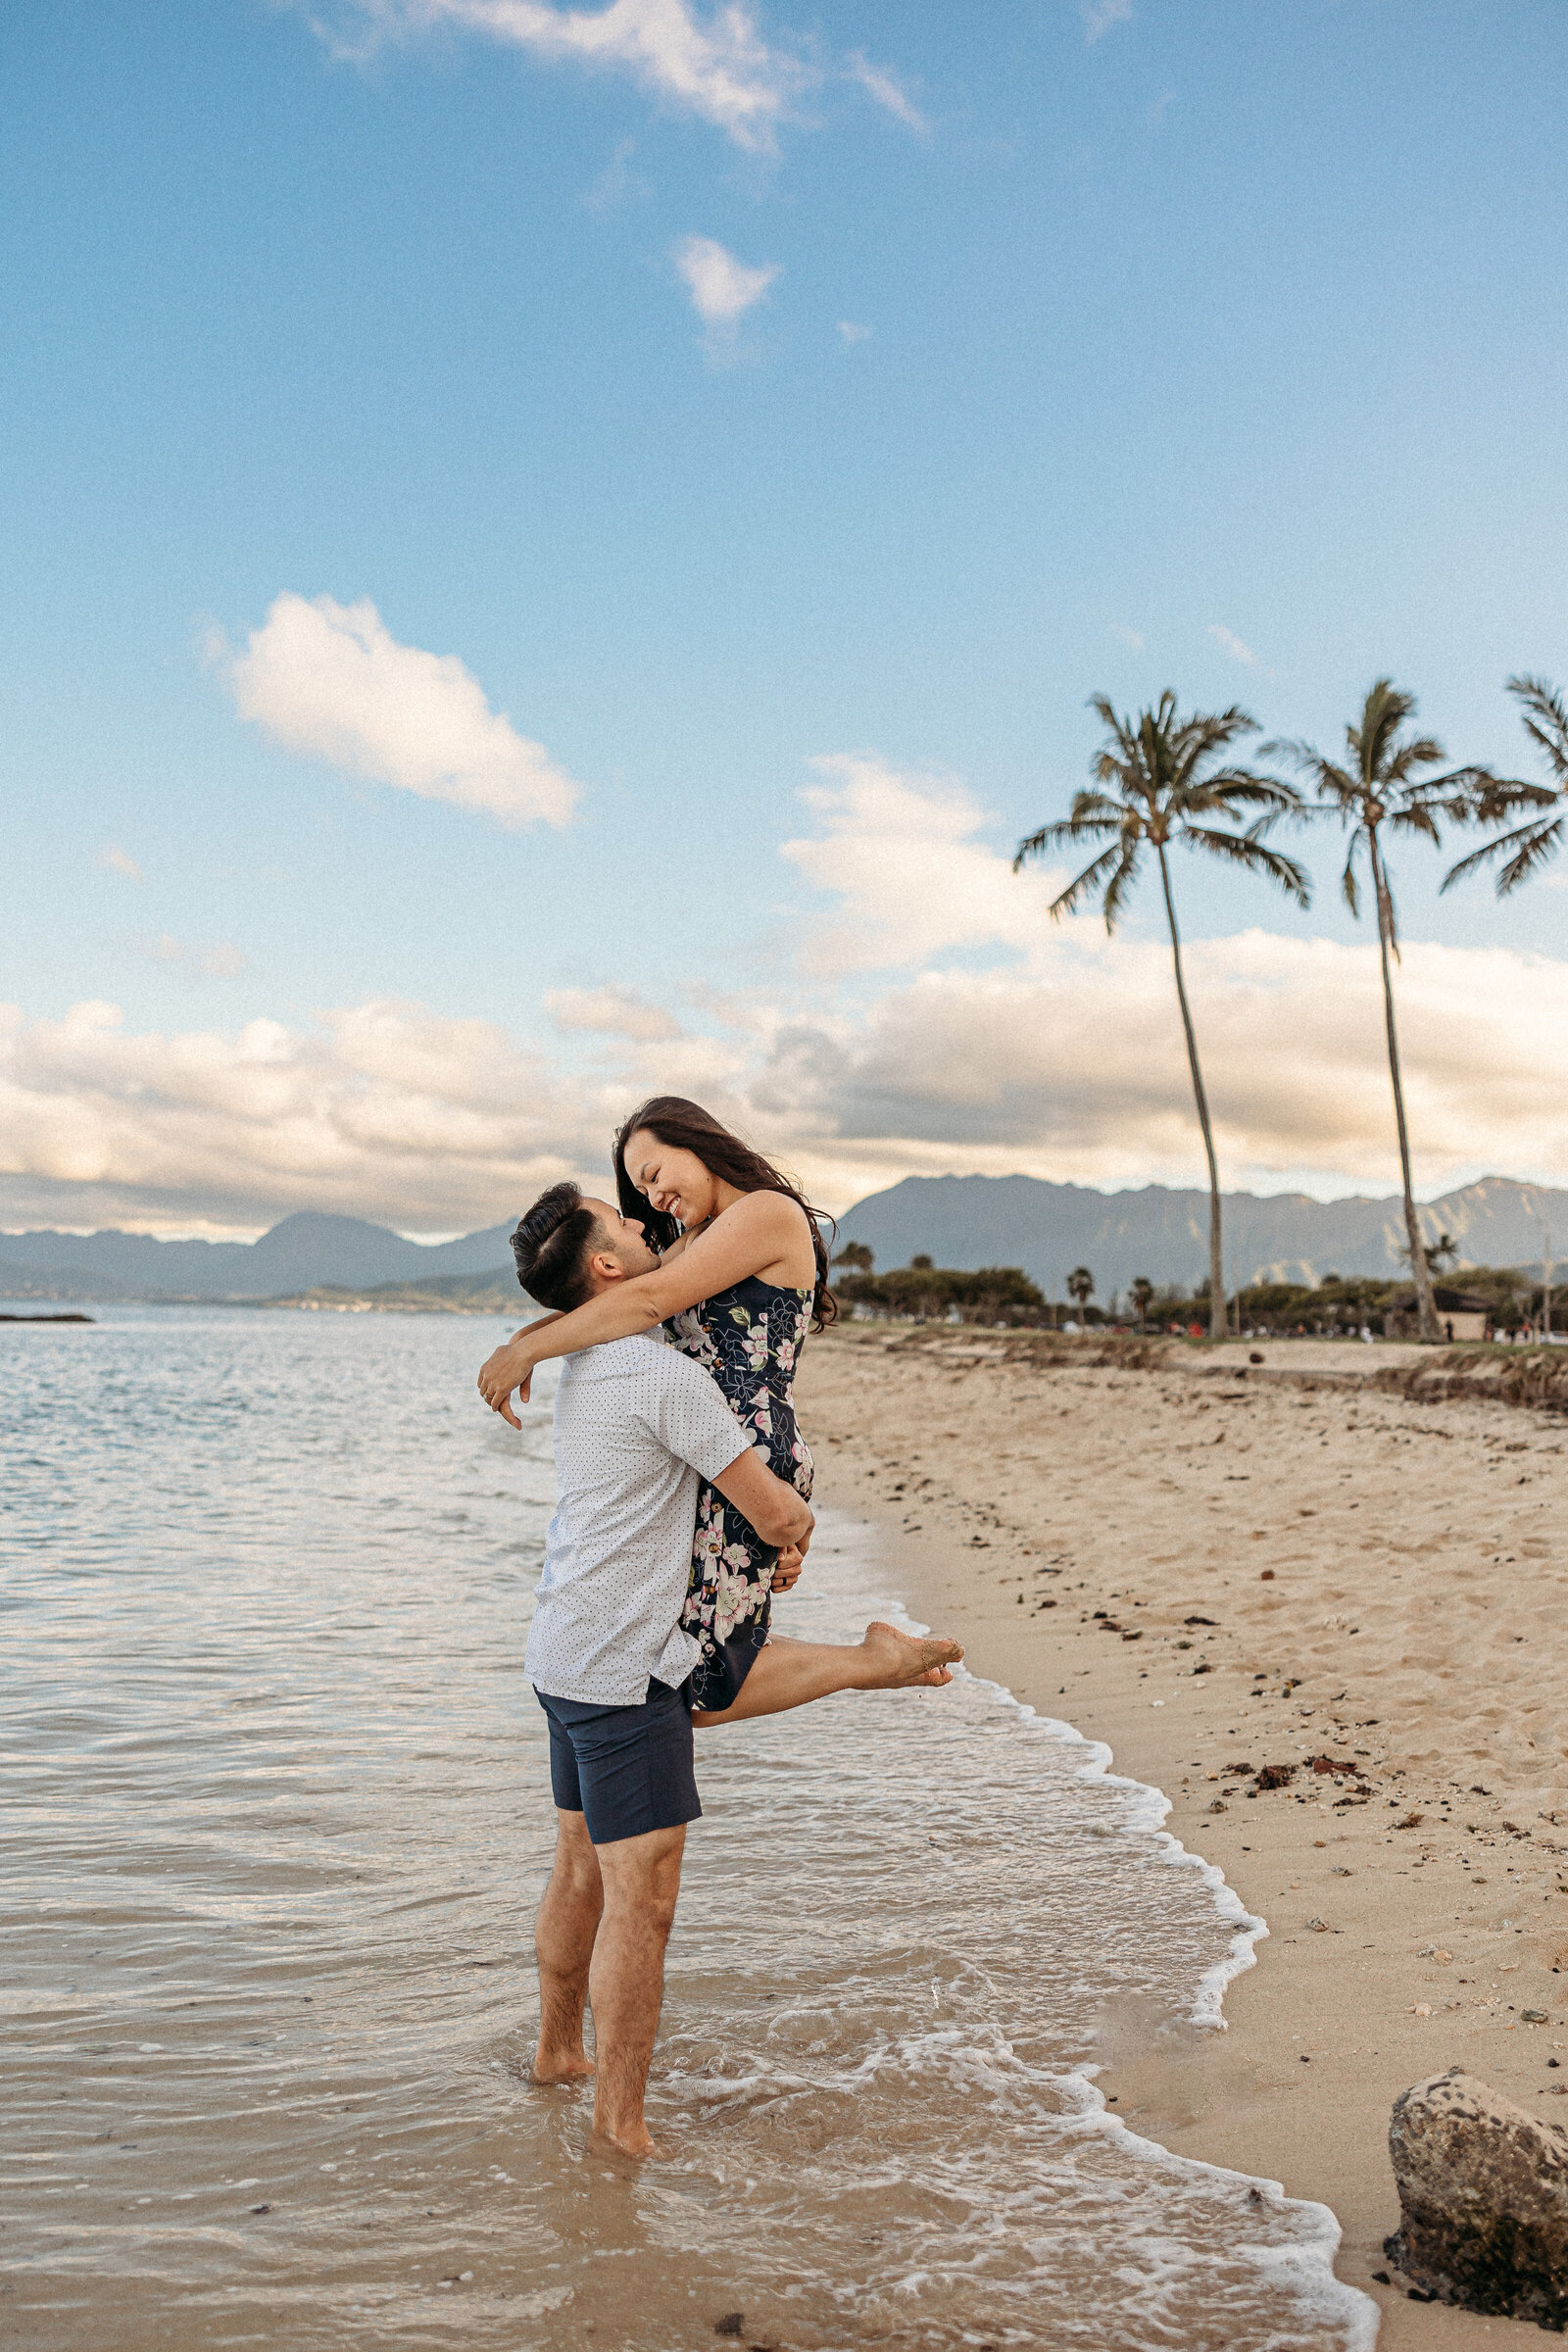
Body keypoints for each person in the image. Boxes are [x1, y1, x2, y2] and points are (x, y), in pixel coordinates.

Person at [510, 1180, 963, 2158]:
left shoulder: (591, 1362)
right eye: (627, 1224)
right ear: (606, 1268)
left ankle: (557, 2056)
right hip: (621, 1669)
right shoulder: (662, 1376)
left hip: (562, 1651)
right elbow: (776, 1510)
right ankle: (621, 2130)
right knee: (646, 1900)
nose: (646, 1226)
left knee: (577, 1867)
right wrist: (789, 1536)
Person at [481, 1098, 963, 1725]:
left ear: (698, 1145)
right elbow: (621, 1297)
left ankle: (872, 1661)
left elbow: (650, 1300)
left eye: (654, 1174)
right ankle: (868, 1659)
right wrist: (523, 1342)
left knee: (700, 1690)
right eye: (638, 1188)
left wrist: (530, 1352)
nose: (651, 1199)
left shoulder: (767, 1213)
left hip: (748, 1450)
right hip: (703, 1449)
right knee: (682, 1658)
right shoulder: (700, 1239)